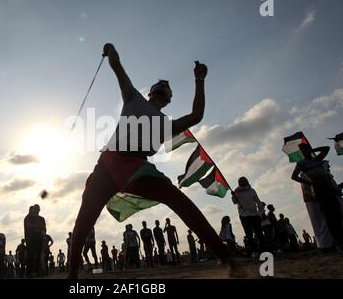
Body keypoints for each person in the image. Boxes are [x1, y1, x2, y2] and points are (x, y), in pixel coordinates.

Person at [68, 43, 235, 278]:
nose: (164, 87)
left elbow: (196, 115)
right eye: (161, 85)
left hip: (138, 168)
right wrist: (111, 48)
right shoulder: (132, 97)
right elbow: (117, 66)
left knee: (178, 200)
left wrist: (199, 80)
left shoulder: (167, 124)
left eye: (167, 89)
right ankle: (72, 273)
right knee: (85, 217)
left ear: (168, 100)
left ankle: (226, 256)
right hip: (108, 164)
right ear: (152, 91)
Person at [292, 143, 343, 249]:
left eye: (305, 149)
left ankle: (340, 239)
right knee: (329, 216)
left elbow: (326, 148)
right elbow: (294, 176)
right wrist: (309, 182)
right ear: (301, 153)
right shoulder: (301, 163)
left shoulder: (317, 159)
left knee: (337, 213)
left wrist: (312, 149)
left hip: (329, 188)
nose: (304, 151)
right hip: (319, 191)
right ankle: (339, 242)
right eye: (302, 150)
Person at [231, 177, 266, 256]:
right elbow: (234, 202)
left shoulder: (252, 190)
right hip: (244, 216)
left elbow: (258, 202)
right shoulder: (237, 192)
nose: (242, 182)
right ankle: (254, 251)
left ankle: (264, 250)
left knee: (259, 233)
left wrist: (260, 213)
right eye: (241, 181)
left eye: (244, 181)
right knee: (249, 234)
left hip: (255, 215)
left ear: (247, 182)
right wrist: (233, 196)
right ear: (239, 183)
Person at [26, 205, 46, 277]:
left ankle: (37, 271)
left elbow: (44, 229)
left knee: (38, 255)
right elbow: (28, 225)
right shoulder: (29, 218)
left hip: (39, 239)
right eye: (35, 209)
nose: (37, 210)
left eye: (38, 209)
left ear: (39, 210)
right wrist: (38, 226)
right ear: (33, 209)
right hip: (31, 239)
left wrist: (44, 238)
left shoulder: (42, 219)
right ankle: (30, 272)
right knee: (31, 256)